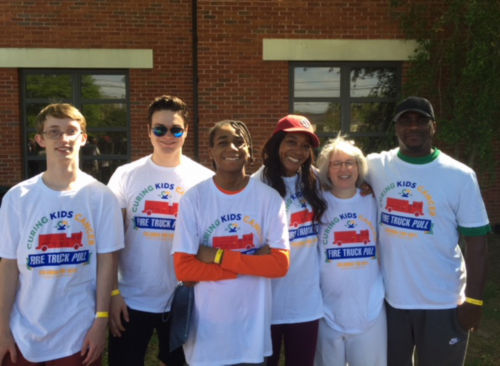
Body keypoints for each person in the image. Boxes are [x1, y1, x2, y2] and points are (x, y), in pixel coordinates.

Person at [366, 96, 491, 366]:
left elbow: (478, 244)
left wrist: (475, 301)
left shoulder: (460, 175)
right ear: (396, 127)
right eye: (405, 121)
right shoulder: (375, 166)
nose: (413, 127)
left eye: (421, 120)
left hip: (443, 302)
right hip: (390, 302)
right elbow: (332, 173)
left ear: (433, 126)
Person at [0, 103, 124, 365]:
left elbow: (107, 263)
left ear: (84, 138)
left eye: (71, 131)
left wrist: (100, 322)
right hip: (22, 332)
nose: (63, 139)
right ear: (40, 140)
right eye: (53, 132)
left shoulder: (101, 197)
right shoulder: (17, 198)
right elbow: (9, 266)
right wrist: (1, 328)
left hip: (77, 334)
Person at [172, 120, 290, 366]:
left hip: (252, 339)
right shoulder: (194, 199)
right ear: (211, 152)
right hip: (206, 340)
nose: (232, 148)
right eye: (222, 142)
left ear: (249, 150)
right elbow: (184, 270)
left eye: (239, 142)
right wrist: (253, 264)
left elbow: (279, 266)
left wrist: (217, 256)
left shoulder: (269, 199)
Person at [107, 95, 213, 366]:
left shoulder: (202, 179)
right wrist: (114, 294)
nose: (168, 135)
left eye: (176, 129)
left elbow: (207, 240)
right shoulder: (125, 175)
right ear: (148, 131)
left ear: (186, 131)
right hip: (131, 299)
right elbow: (110, 242)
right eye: (160, 129)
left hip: (183, 299)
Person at [253, 114, 326, 366]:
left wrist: (365, 185)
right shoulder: (255, 184)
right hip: (266, 304)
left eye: (305, 146)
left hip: (305, 302)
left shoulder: (316, 181)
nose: (298, 151)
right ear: (277, 144)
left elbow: (350, 180)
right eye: (291, 142)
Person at [314, 136, 386, 366]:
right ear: (327, 170)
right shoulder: (317, 203)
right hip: (325, 310)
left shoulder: (374, 201)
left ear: (358, 168)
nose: (344, 168)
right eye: (336, 163)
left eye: (350, 163)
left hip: (370, 308)